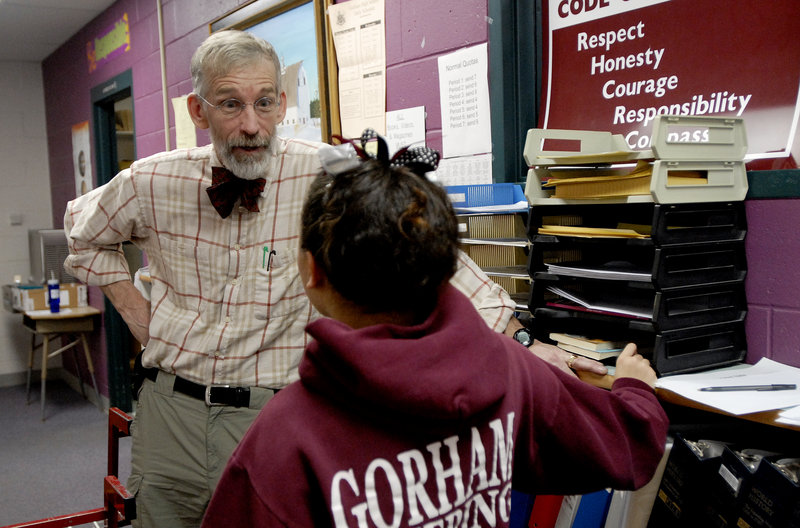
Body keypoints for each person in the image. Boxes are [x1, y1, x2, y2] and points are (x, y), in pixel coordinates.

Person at [62, 30, 603, 527]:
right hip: (169, 419)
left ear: (282, 102)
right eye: (231, 104)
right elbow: (82, 233)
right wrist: (141, 317)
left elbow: (424, 253)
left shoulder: (326, 172)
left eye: (265, 102)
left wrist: (523, 342)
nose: (251, 124)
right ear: (198, 111)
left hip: (274, 420)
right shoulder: (152, 180)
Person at [201, 136, 669, 527]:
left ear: (311, 272)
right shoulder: (510, 373)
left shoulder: (284, 438)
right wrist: (634, 388)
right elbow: (626, 447)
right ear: (444, 266)